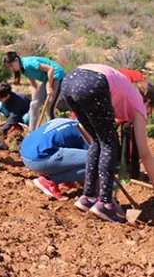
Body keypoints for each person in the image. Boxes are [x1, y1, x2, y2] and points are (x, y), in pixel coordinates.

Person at [61, 64, 154, 223]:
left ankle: (88, 197)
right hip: (92, 81)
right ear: (148, 101)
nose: (149, 114)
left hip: (68, 81)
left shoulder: (123, 95)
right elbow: (144, 153)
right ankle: (105, 203)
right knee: (110, 143)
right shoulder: (139, 104)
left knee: (98, 141)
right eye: (152, 110)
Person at [20, 118, 89, 201]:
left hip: (25, 153)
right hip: (39, 159)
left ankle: (66, 181)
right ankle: (49, 180)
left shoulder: (65, 121)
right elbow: (91, 159)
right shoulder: (84, 131)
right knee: (95, 162)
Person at [3, 51, 66, 130]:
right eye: (9, 67)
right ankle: (32, 132)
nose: (11, 69)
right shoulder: (23, 69)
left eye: (11, 66)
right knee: (33, 105)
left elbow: (50, 69)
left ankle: (54, 131)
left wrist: (49, 87)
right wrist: (34, 100)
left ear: (16, 59)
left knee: (49, 109)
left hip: (57, 76)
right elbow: (33, 85)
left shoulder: (29, 63)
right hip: (47, 80)